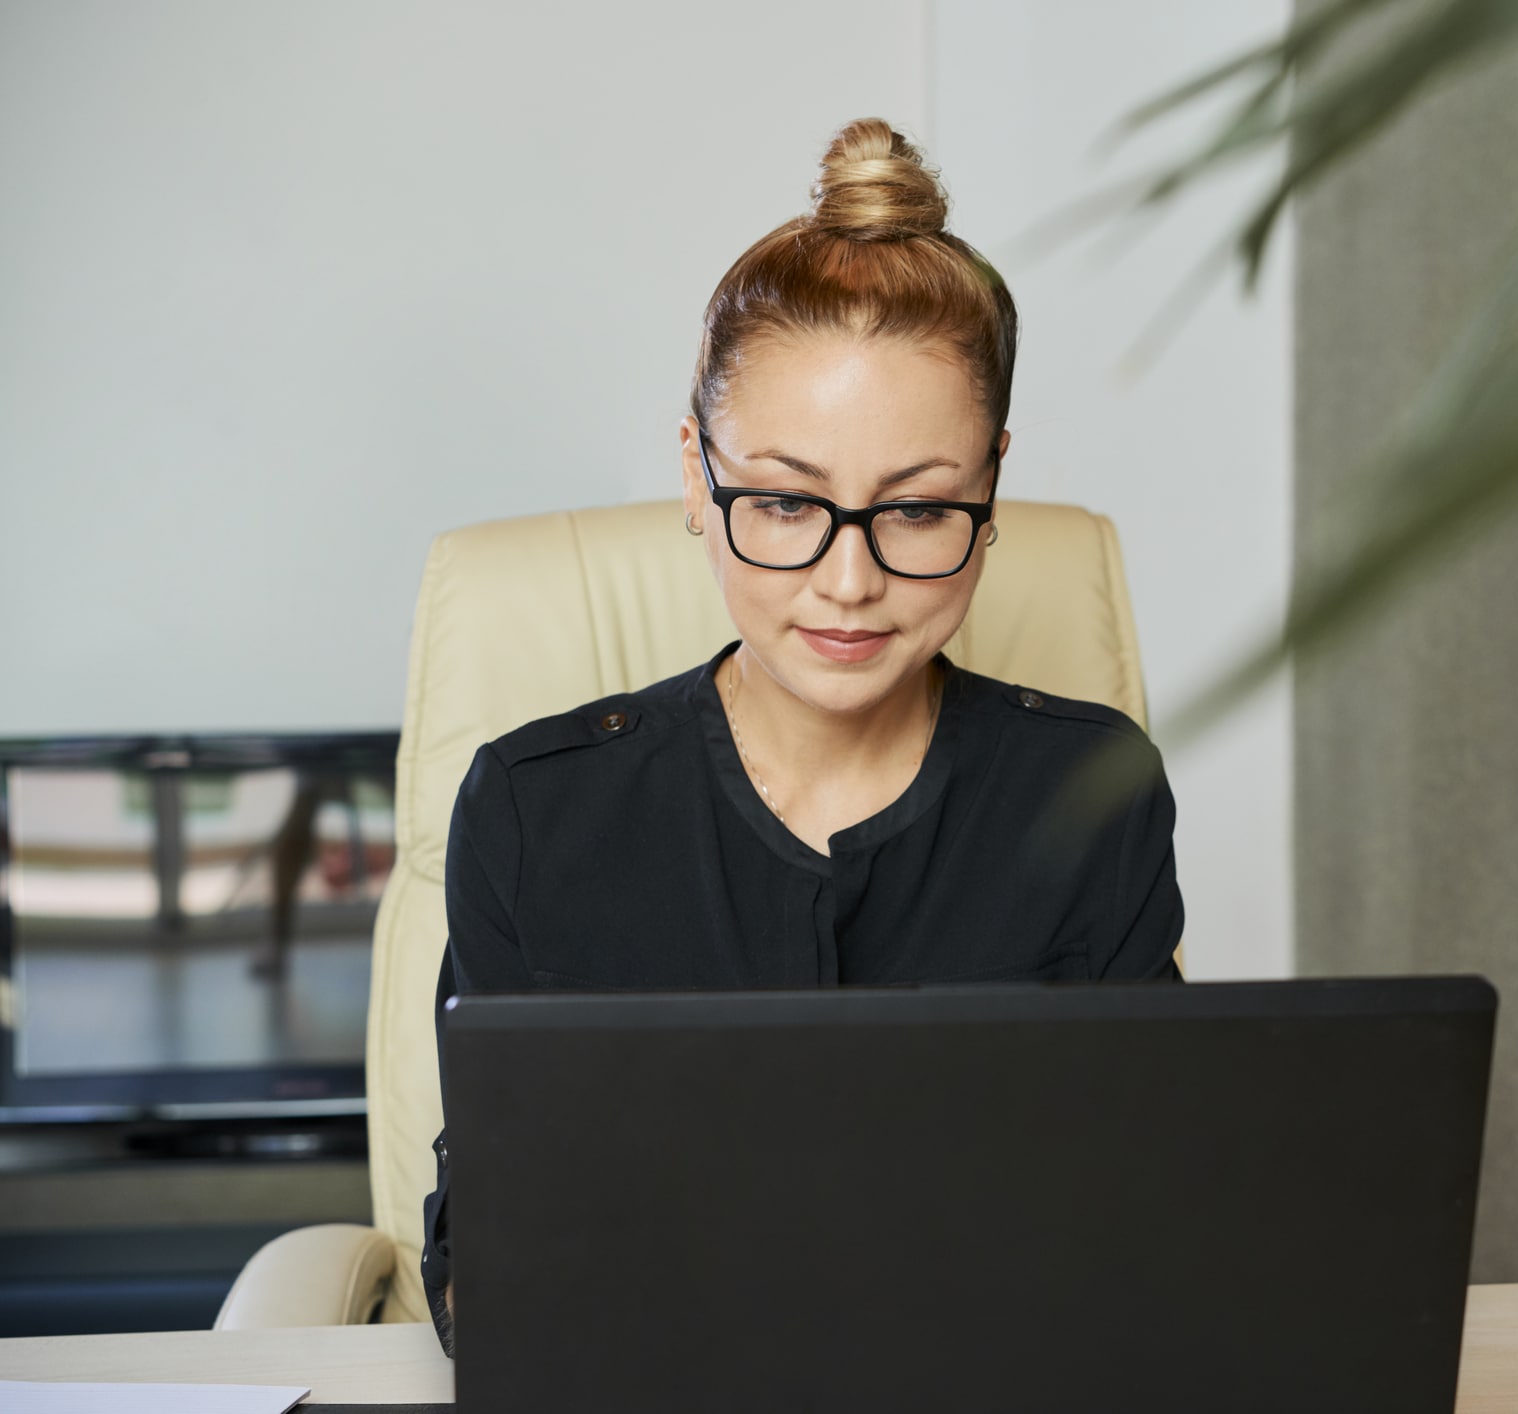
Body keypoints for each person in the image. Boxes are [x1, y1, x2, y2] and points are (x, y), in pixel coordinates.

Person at [418, 118, 1185, 1354]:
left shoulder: (1089, 790)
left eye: (921, 507)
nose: (845, 583)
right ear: (693, 478)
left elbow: (1157, 1214)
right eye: (782, 501)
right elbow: (483, 1256)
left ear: (991, 489)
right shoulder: (532, 807)